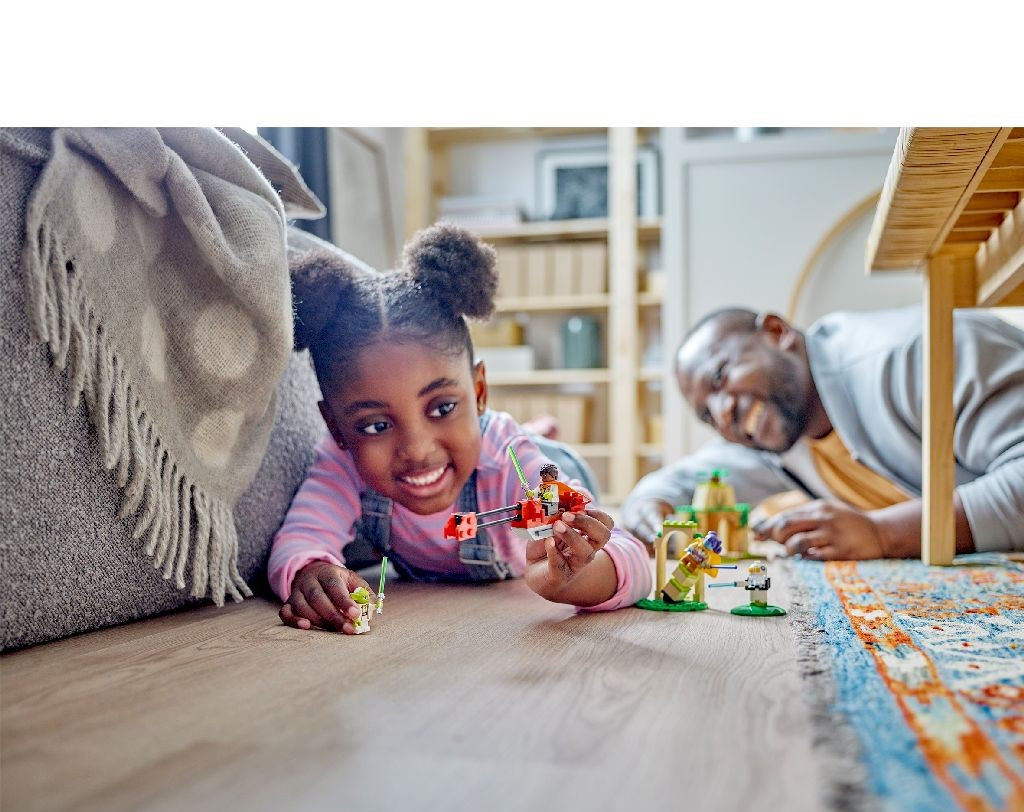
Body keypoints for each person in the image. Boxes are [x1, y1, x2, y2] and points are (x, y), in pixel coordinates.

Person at [269, 223, 651, 633]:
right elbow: (301, 539)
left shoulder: (508, 457)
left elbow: (636, 563)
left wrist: (573, 578)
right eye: (376, 425)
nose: (417, 449)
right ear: (336, 427)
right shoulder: (342, 460)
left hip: (538, 464)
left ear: (479, 390)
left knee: (542, 461)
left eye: (443, 407)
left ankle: (541, 434)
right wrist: (312, 572)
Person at [622, 306, 1024, 560]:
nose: (722, 415)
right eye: (706, 416)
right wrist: (647, 511)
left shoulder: (922, 355)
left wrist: (883, 534)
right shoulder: (774, 437)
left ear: (777, 332)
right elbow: (669, 486)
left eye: (720, 376)